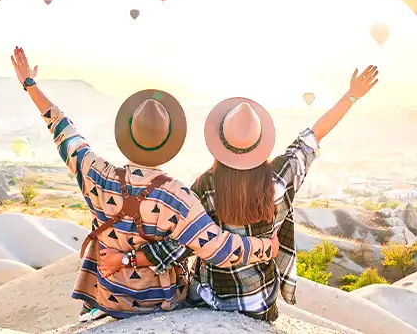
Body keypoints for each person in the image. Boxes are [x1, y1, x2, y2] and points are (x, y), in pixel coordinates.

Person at [9, 47, 281, 323]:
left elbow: (64, 131)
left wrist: (29, 85)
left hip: (109, 295)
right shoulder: (176, 197)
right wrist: (264, 247)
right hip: (158, 303)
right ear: (170, 144)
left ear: (127, 135)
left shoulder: (97, 174)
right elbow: (219, 249)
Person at [99, 66, 380, 321]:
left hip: (209, 299)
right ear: (260, 143)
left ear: (219, 141)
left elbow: (178, 246)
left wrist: (127, 259)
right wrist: (351, 97)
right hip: (259, 302)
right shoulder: (280, 177)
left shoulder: (205, 187)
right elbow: (314, 135)